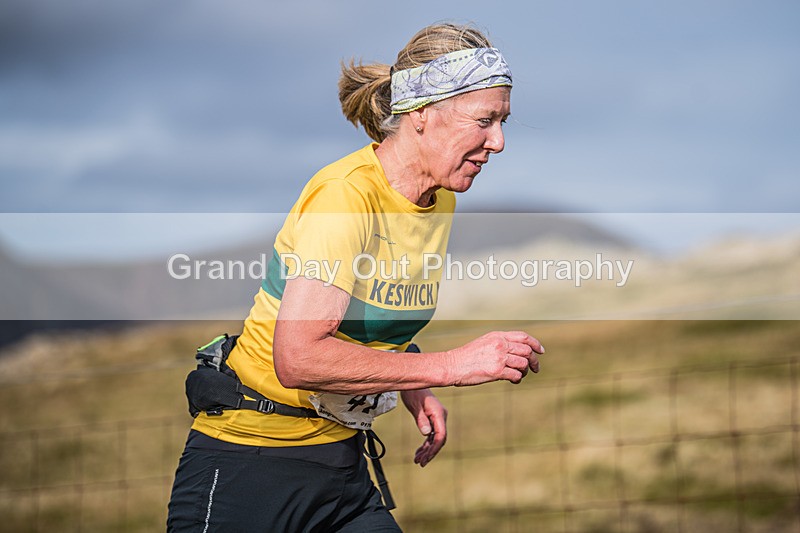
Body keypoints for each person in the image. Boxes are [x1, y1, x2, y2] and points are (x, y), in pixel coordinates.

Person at [167, 22, 544, 532]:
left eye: (503, 121)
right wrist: (448, 366)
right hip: (248, 463)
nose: (497, 142)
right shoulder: (346, 196)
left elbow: (365, 320)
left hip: (341, 467)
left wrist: (411, 382)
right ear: (422, 115)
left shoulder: (440, 200)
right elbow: (298, 358)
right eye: (484, 120)